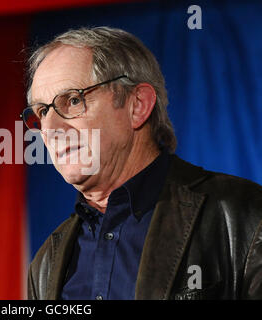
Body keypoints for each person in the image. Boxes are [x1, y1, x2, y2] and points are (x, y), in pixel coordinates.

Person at [21, 27, 262, 300]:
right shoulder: (45, 264)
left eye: (73, 100)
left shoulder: (243, 215)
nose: (50, 128)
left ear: (137, 106)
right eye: (42, 112)